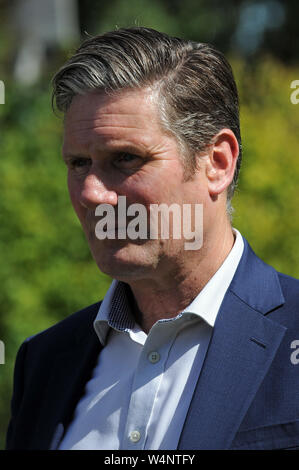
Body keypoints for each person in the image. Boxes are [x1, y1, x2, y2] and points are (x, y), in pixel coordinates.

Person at [6, 27, 299, 450]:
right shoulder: (44, 362)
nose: (91, 192)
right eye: (77, 162)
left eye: (124, 158)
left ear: (217, 163)